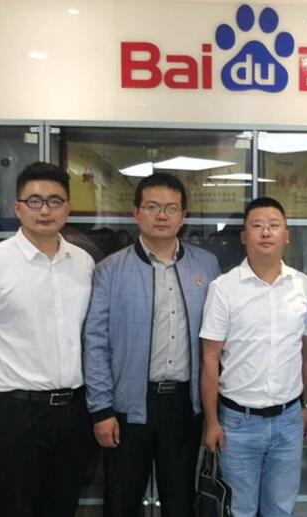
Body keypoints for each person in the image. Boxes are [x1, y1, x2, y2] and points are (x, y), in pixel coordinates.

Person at [0, 162, 96, 517]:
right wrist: (2, 374)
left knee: (62, 506)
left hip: (75, 410)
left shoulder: (84, 262)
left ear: (68, 208)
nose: (44, 210)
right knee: (14, 507)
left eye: (54, 201)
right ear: (17, 208)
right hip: (16, 412)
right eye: (34, 201)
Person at [84, 172, 221, 517]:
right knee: (121, 500)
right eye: (152, 207)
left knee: (181, 501)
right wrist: (101, 410)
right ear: (136, 213)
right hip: (128, 406)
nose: (162, 215)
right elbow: (95, 343)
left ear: (183, 216)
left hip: (184, 404)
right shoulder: (110, 270)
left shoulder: (207, 265)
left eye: (171, 208)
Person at [200, 197, 307, 517]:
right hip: (238, 422)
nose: (266, 232)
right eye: (257, 225)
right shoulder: (224, 288)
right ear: (244, 236)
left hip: (289, 420)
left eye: (274, 225)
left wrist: (306, 407)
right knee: (240, 510)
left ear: (286, 235)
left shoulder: (303, 285)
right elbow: (210, 359)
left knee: (280, 509)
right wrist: (212, 422)